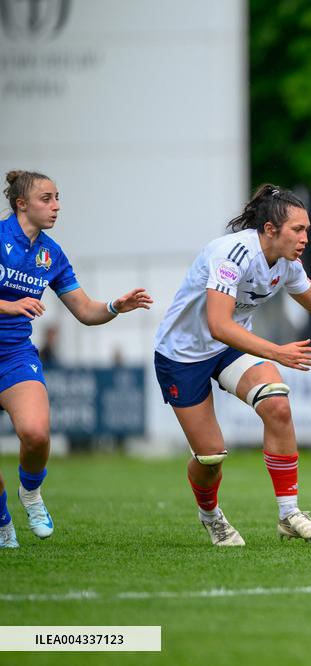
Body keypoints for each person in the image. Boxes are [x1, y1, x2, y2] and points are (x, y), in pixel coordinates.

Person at [153, 184, 311, 547]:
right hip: (182, 355)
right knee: (210, 457)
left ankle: (289, 514)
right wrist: (277, 352)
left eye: (307, 229)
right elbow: (219, 325)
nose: (305, 238)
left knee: (277, 403)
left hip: (229, 348)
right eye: (298, 229)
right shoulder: (232, 255)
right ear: (270, 229)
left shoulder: (288, 264)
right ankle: (210, 514)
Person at [0, 170, 153, 549]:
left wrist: (115, 306)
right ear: (21, 204)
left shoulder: (50, 253)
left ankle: (30, 493)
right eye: (47, 199)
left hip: (14, 355)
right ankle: (3, 524)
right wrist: (9, 305)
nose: (56, 206)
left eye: (57, 198)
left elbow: (85, 310)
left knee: (36, 434)